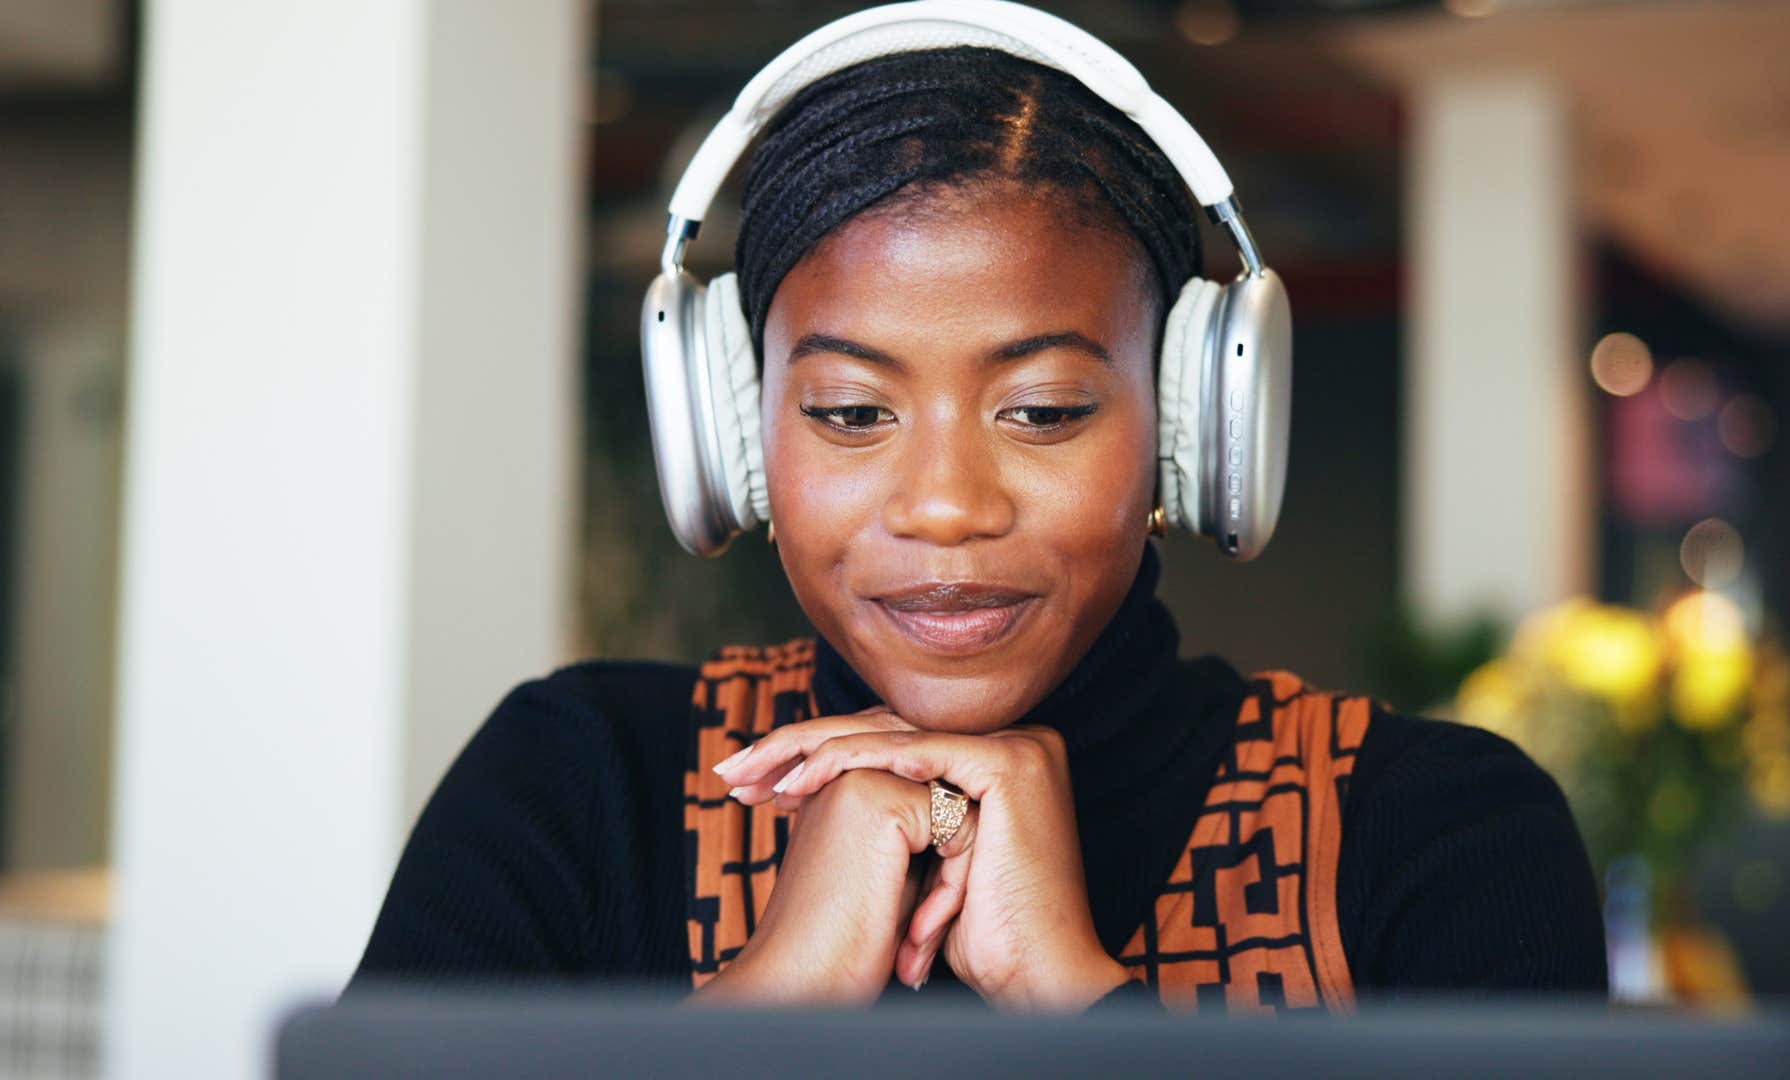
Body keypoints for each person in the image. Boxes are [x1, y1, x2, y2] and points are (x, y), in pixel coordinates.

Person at [350, 8, 1607, 1013]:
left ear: (1187, 429)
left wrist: (1080, 1003)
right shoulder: (579, 785)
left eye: (1043, 410)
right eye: (852, 412)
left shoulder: (1433, 836)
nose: (946, 507)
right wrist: (770, 1008)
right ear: (737, 438)